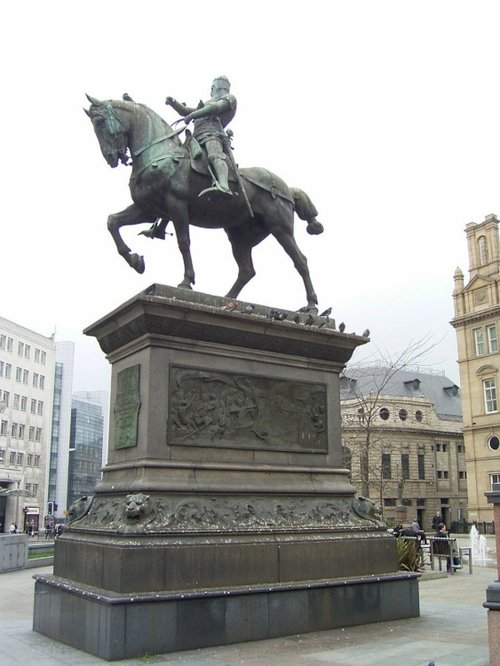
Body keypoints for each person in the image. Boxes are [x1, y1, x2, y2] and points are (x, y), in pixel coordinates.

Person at [165, 76, 237, 197]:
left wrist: (193, 114)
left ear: (214, 87)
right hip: (195, 137)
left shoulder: (229, 98)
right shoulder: (207, 103)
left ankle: (224, 186)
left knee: (214, 156)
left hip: (212, 134)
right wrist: (174, 103)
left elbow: (216, 108)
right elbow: (185, 111)